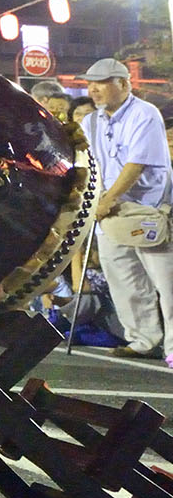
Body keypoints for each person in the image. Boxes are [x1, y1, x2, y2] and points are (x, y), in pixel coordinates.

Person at [78, 57, 173, 363]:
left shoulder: (145, 114)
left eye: (102, 82)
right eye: (91, 83)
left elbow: (137, 163)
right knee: (123, 277)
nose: (94, 89)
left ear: (123, 83)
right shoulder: (91, 121)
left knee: (165, 281)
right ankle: (143, 339)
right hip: (109, 212)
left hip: (148, 208)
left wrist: (108, 200)